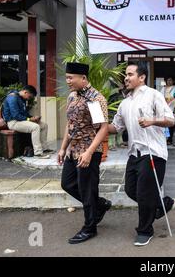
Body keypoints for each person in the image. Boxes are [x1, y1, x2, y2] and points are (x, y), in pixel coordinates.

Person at [108, 60, 175, 247]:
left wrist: (152, 121)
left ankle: (145, 230)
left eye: (130, 74)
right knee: (131, 190)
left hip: (153, 151)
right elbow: (116, 127)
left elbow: (171, 120)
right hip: (134, 153)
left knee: (145, 194)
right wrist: (99, 127)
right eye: (126, 74)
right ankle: (161, 204)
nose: (126, 78)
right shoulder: (124, 103)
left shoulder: (153, 95)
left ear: (142, 77)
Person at [58, 62, 111, 244]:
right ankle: (100, 205)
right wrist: (63, 147)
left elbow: (103, 128)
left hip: (88, 151)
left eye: (71, 78)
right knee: (67, 184)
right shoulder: (72, 96)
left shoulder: (95, 99)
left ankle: (90, 228)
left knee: (87, 190)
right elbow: (69, 123)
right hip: (72, 150)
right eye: (67, 77)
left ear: (84, 78)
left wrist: (89, 152)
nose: (68, 81)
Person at [2, 85, 51, 158]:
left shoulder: (21, 99)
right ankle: (38, 153)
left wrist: (32, 117)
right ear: (25, 92)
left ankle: (44, 148)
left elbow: (24, 114)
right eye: (30, 97)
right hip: (13, 122)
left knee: (44, 125)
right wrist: (30, 119)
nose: (29, 99)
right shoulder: (12, 98)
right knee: (35, 127)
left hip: (20, 121)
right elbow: (16, 115)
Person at [161, 77, 175, 145]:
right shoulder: (163, 88)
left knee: (171, 125)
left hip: (172, 108)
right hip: (164, 109)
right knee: (164, 125)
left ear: (173, 81)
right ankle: (164, 139)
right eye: (168, 80)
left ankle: (169, 139)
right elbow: (160, 97)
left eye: (170, 80)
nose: (169, 81)